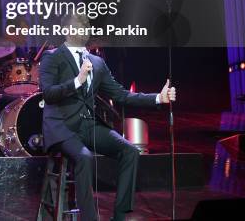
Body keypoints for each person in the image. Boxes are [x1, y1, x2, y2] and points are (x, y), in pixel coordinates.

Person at [40, 12, 177, 221]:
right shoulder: (52, 57)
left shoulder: (97, 62)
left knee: (129, 150)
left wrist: (158, 98)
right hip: (62, 127)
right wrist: (77, 80)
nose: (84, 28)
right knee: (84, 157)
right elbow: (48, 94)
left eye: (86, 24)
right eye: (79, 24)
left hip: (88, 126)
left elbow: (121, 95)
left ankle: (120, 216)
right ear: (66, 30)